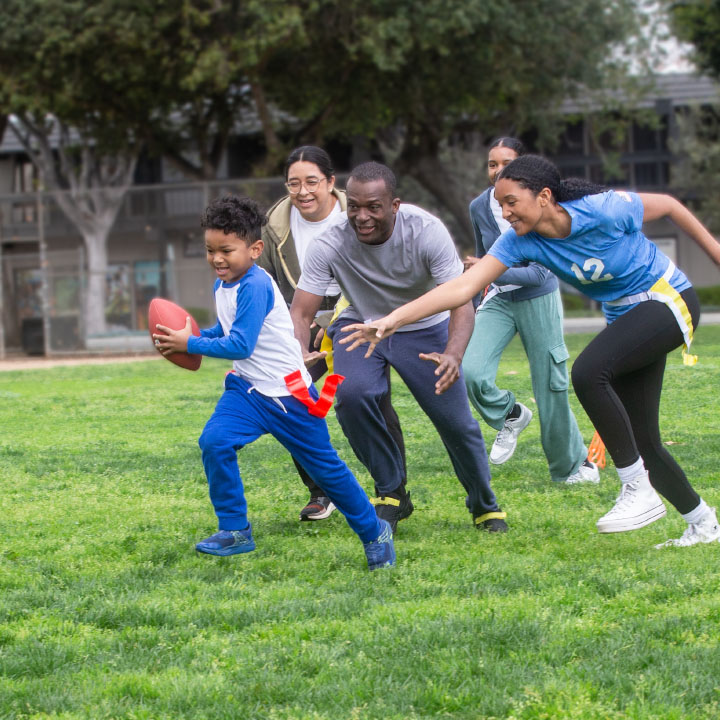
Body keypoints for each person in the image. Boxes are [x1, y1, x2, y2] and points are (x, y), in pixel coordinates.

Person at [341, 154, 720, 549]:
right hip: (627, 315)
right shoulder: (520, 240)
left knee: (589, 373)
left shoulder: (602, 209)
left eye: (511, 202)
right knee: (644, 441)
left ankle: (635, 488)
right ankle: (703, 523)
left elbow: (672, 207)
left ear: (543, 197)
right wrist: (392, 319)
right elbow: (462, 288)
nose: (504, 213)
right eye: (500, 204)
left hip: (666, 298)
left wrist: (715, 254)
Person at [152, 195, 395, 570]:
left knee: (327, 472)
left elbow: (240, 343)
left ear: (255, 249)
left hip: (290, 397)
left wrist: (191, 344)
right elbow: (228, 329)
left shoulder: (256, 285)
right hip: (247, 391)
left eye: (226, 250)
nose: (217, 258)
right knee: (214, 442)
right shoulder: (226, 284)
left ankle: (374, 532)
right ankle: (235, 531)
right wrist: (195, 334)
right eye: (210, 250)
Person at [290, 161, 506, 534]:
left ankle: (483, 502)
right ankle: (391, 491)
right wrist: (299, 352)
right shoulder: (329, 242)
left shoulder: (425, 232)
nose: (362, 216)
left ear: (395, 204)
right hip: (360, 325)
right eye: (354, 206)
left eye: (373, 207)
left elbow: (461, 301)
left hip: (425, 327)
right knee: (352, 396)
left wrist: (453, 353)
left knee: (456, 423)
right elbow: (300, 310)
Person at [258, 146, 406, 523]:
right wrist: (292, 340)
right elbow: (270, 284)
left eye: (312, 182)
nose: (303, 191)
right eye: (294, 183)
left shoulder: (359, 211)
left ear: (330, 182)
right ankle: (320, 491)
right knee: (295, 402)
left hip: (357, 318)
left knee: (370, 399)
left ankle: (391, 492)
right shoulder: (274, 226)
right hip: (300, 321)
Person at [464, 138, 599, 484]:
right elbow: (483, 260)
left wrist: (488, 269)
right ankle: (511, 414)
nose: (497, 171)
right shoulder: (479, 206)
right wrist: (479, 293)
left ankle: (570, 467)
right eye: (491, 164)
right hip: (499, 299)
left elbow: (541, 271)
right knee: (472, 372)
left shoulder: (542, 204)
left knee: (550, 386)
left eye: (505, 164)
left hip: (538, 296)